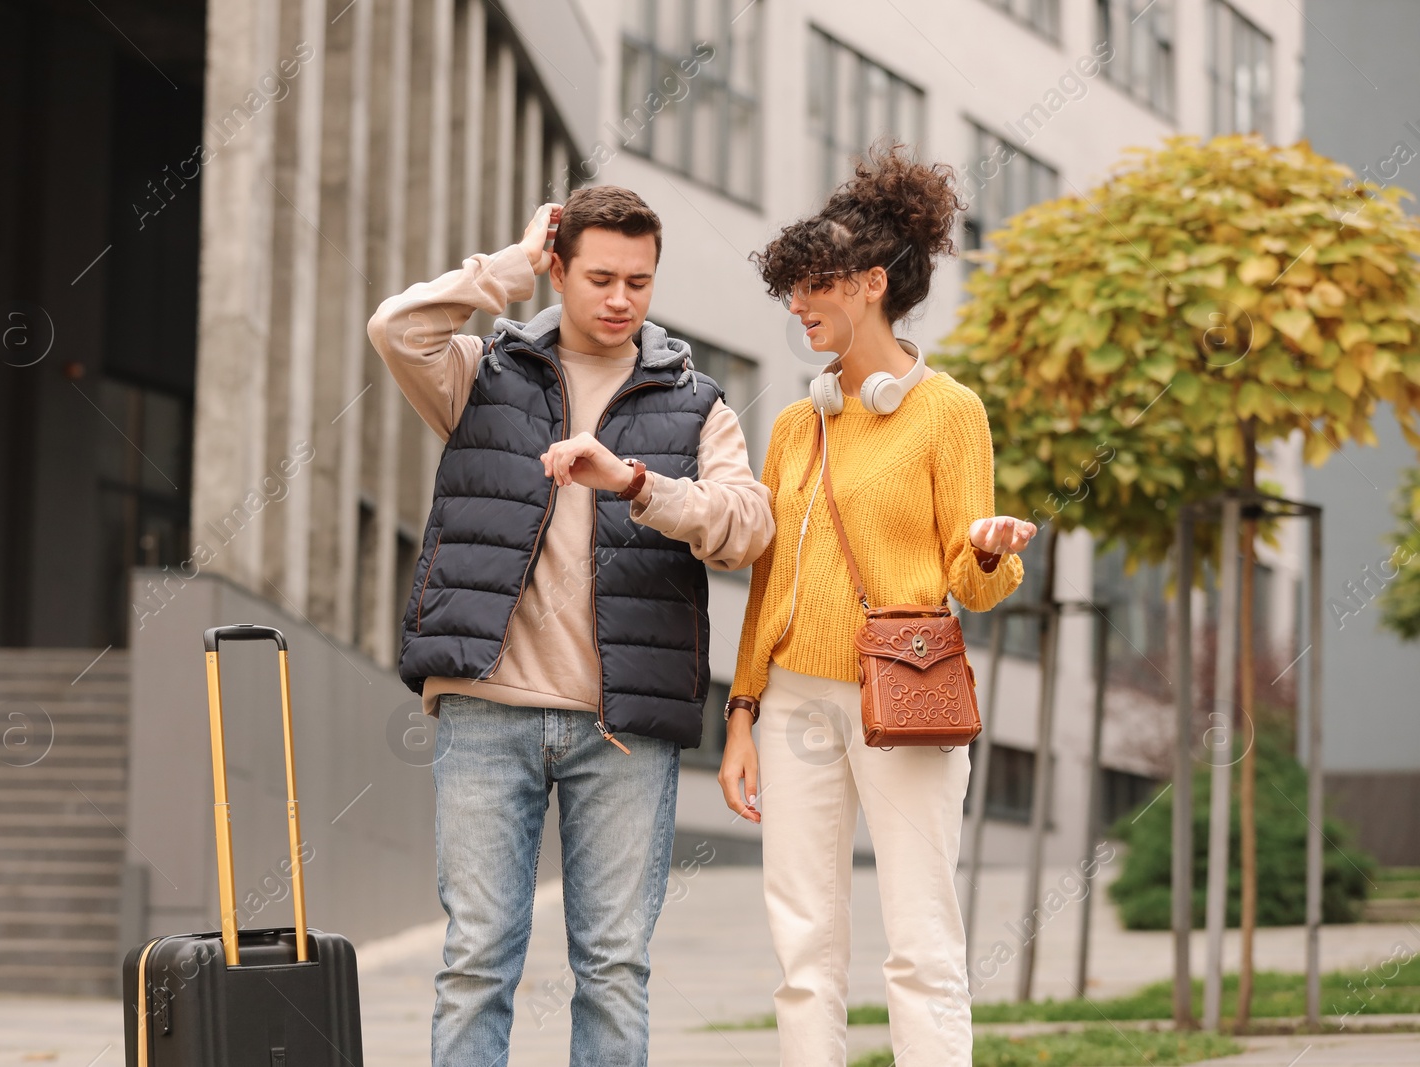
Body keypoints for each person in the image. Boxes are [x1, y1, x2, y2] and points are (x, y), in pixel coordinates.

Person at [368, 185, 773, 1067]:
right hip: (486, 709)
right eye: (599, 277)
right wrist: (506, 269)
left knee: (615, 967)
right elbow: (395, 329)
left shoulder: (697, 404)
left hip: (623, 726)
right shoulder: (485, 375)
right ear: (559, 267)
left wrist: (635, 484)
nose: (621, 298)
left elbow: (747, 528)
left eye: (640, 280)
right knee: (476, 962)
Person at [717, 144, 1037, 1066]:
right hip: (793, 700)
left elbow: (970, 582)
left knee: (922, 942)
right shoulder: (794, 424)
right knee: (804, 947)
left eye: (812, 286)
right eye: (789, 288)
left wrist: (987, 553)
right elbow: (771, 584)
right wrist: (742, 710)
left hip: (904, 691)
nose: (796, 306)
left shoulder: (948, 412)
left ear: (869, 284)